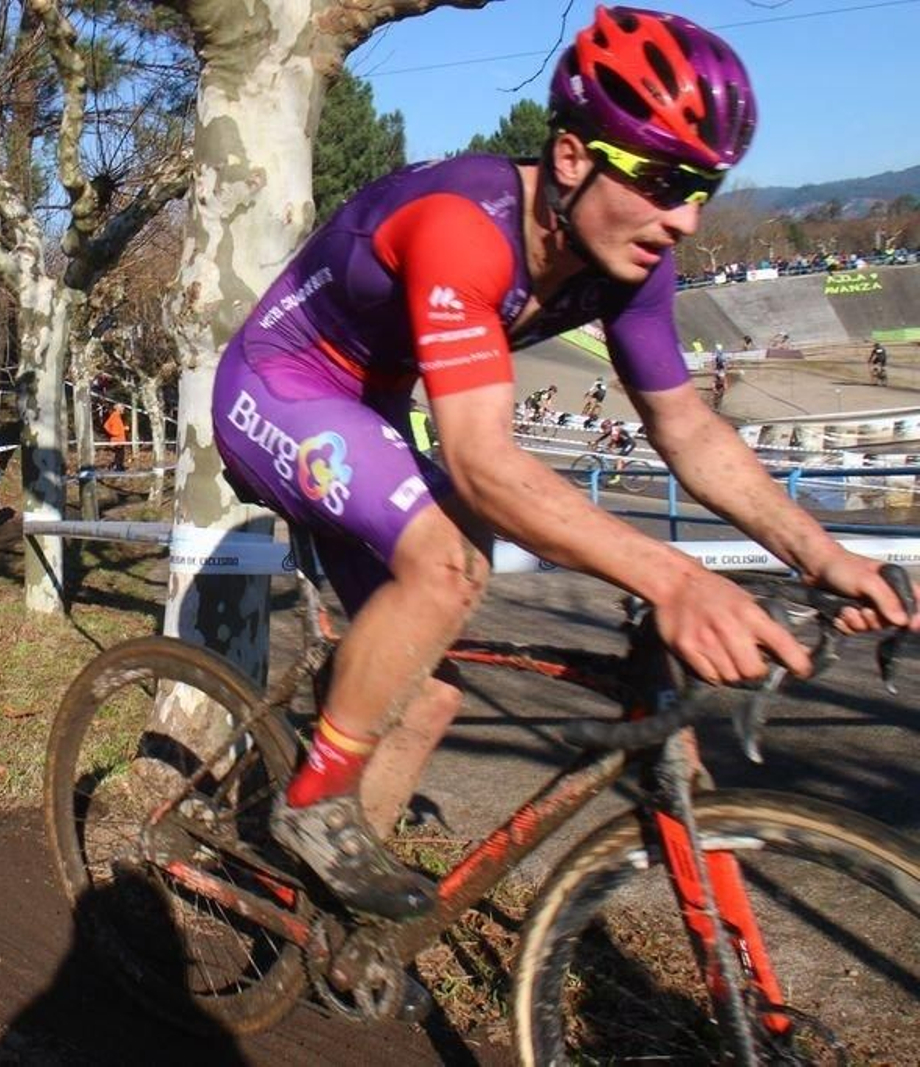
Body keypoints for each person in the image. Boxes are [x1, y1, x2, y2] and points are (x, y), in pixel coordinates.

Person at [211, 5, 912, 931]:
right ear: (573, 159)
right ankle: (310, 805)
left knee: (424, 697)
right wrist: (677, 580)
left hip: (371, 405)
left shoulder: (630, 262)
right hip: (282, 381)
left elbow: (688, 432)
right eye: (663, 180)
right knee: (451, 563)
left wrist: (822, 554)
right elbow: (485, 461)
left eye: (703, 186)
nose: (686, 219)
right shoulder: (465, 226)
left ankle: (313, 925)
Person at [102, 403, 128, 471]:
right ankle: (117, 469)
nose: (123, 409)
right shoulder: (114, 415)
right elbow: (106, 425)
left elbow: (118, 427)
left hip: (121, 439)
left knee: (120, 455)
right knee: (119, 455)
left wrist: (124, 428)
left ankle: (118, 468)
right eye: (122, 408)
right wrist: (113, 433)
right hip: (117, 440)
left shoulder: (118, 416)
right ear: (118, 409)